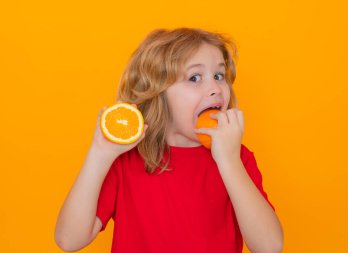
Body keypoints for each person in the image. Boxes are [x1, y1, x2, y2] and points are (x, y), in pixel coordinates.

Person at [55, 27, 283, 253]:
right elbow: (69, 240)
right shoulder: (124, 161)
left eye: (219, 75)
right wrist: (99, 154)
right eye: (194, 77)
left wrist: (230, 163)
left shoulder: (238, 158)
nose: (215, 88)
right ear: (158, 93)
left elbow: (269, 247)